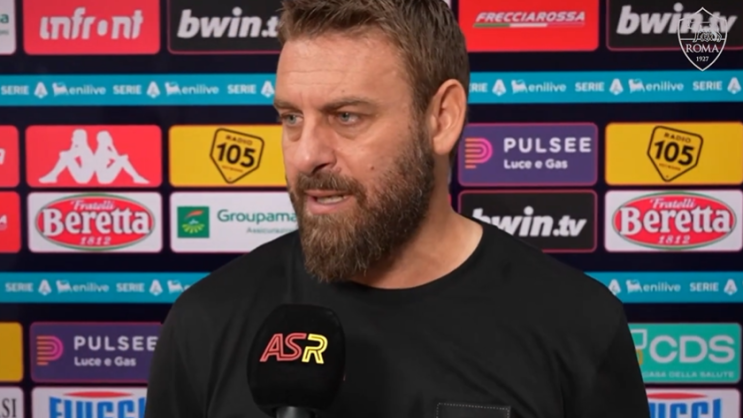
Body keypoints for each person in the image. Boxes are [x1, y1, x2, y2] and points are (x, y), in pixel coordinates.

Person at [145, 0, 650, 417]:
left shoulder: (578, 325)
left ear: (442, 119)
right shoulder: (205, 323)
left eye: (346, 116)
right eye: (291, 118)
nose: (305, 155)